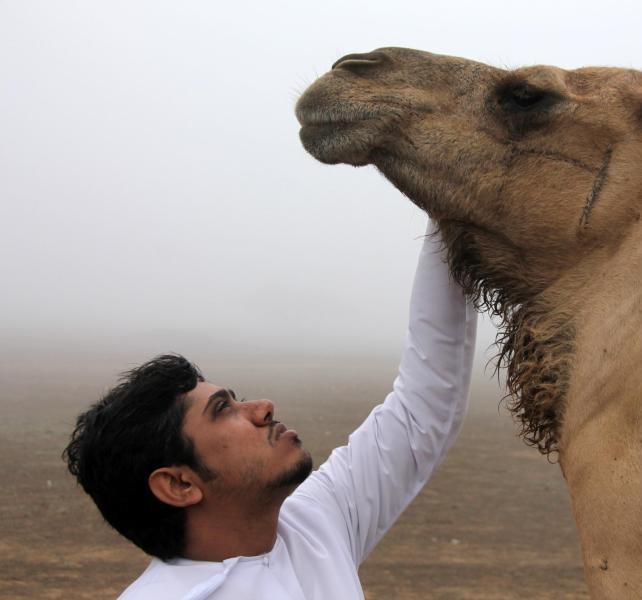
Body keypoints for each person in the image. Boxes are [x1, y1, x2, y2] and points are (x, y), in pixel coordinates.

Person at [64, 221, 477, 599]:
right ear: (179, 484)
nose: (262, 408)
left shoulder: (313, 523)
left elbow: (424, 404)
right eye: (223, 410)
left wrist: (449, 210)